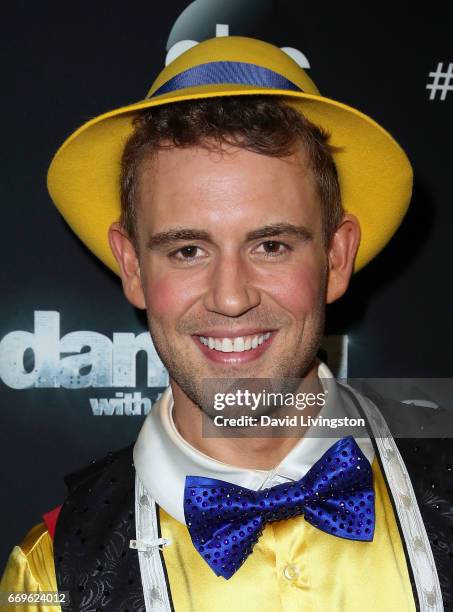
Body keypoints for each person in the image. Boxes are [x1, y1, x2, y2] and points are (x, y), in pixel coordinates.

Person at [1, 36, 451, 612]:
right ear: (133, 267)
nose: (231, 298)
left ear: (336, 258)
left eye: (271, 244)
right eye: (188, 250)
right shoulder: (48, 576)